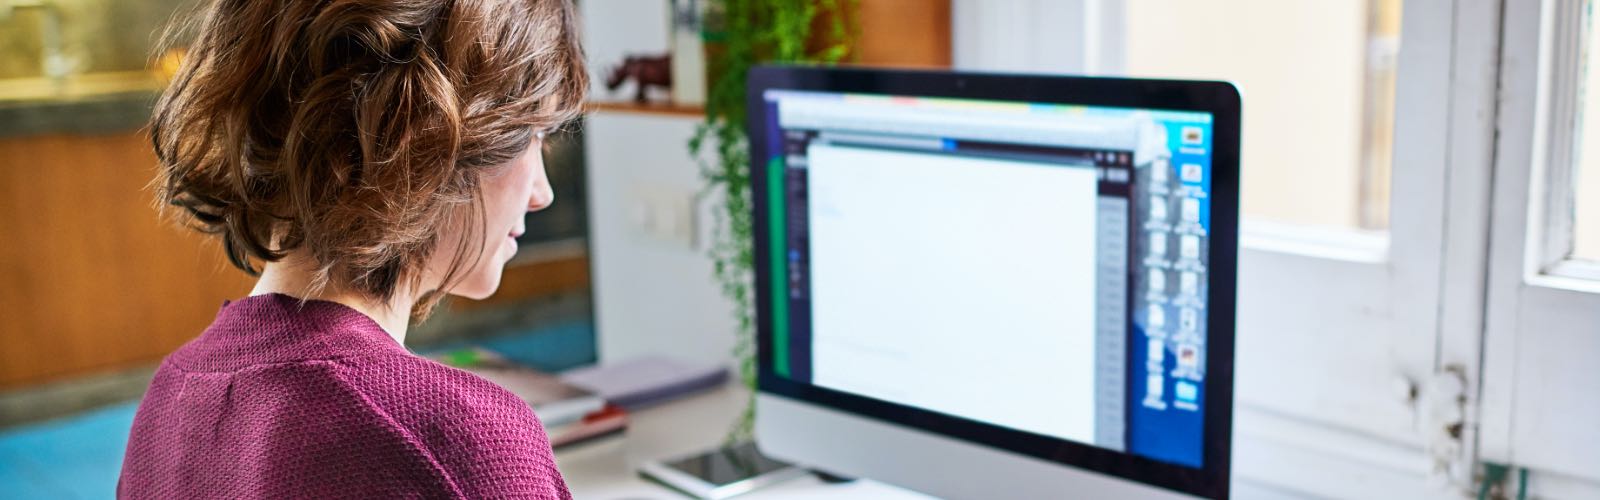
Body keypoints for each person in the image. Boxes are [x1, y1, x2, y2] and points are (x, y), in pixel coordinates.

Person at [118, 0, 588, 497]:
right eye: (531, 134)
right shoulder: (461, 443)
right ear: (427, 136)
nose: (542, 192)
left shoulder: (168, 401)